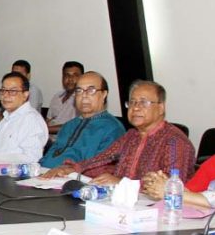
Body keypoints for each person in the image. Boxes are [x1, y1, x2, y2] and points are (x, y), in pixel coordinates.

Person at [42, 80, 195, 184]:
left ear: (161, 107)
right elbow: (103, 159)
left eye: (143, 102)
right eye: (132, 102)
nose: (135, 108)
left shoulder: (174, 141)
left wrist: (121, 183)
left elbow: (172, 185)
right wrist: (70, 169)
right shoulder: (132, 135)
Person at [40, 72, 125, 168]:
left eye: (91, 90)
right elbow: (49, 157)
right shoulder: (68, 126)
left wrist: (67, 171)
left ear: (104, 94)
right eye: (79, 91)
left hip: (77, 180)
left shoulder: (113, 129)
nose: (84, 95)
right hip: (44, 176)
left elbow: (102, 168)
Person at [0, 72, 48, 161]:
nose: (5, 95)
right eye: (3, 90)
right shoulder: (6, 119)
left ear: (25, 95)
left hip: (13, 172)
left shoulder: (31, 120)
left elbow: (32, 158)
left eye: (13, 91)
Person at [46, 61, 84, 134]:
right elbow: (48, 120)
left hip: (67, 142)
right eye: (66, 75)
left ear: (82, 77)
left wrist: (44, 130)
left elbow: (74, 127)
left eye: (75, 75)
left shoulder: (83, 99)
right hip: (48, 139)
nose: (70, 79)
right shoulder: (57, 96)